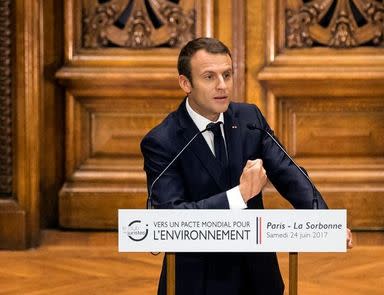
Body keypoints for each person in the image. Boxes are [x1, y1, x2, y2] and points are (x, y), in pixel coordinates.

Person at [140, 37, 352, 295]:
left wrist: (325, 222)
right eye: (209, 77)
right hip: (197, 279)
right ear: (186, 83)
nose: (222, 86)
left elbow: (289, 173)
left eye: (227, 75)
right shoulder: (162, 141)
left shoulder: (249, 118)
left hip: (256, 274)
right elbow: (170, 218)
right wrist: (238, 196)